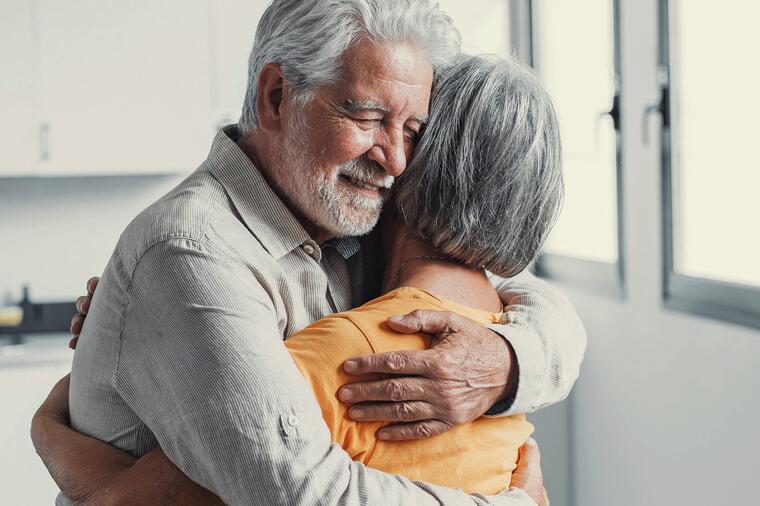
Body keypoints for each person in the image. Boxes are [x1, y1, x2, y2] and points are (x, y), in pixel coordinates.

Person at [33, 1, 585, 504]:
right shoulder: (191, 253)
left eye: (412, 129)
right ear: (276, 97)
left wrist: (508, 361)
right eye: (367, 116)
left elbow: (507, 286)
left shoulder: (347, 219)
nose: (394, 160)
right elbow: (308, 494)